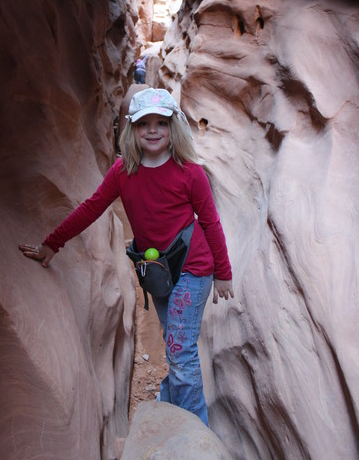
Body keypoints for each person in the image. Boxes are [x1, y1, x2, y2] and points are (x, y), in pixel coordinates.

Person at [19, 88, 234, 426]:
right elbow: (92, 209)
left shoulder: (190, 174)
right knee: (174, 342)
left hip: (194, 268)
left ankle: (196, 433)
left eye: (161, 123)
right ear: (131, 129)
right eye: (143, 123)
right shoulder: (123, 172)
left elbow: (210, 223)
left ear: (173, 127)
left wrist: (223, 272)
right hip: (159, 271)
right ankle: (173, 400)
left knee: (179, 349)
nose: (152, 130)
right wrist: (52, 244)